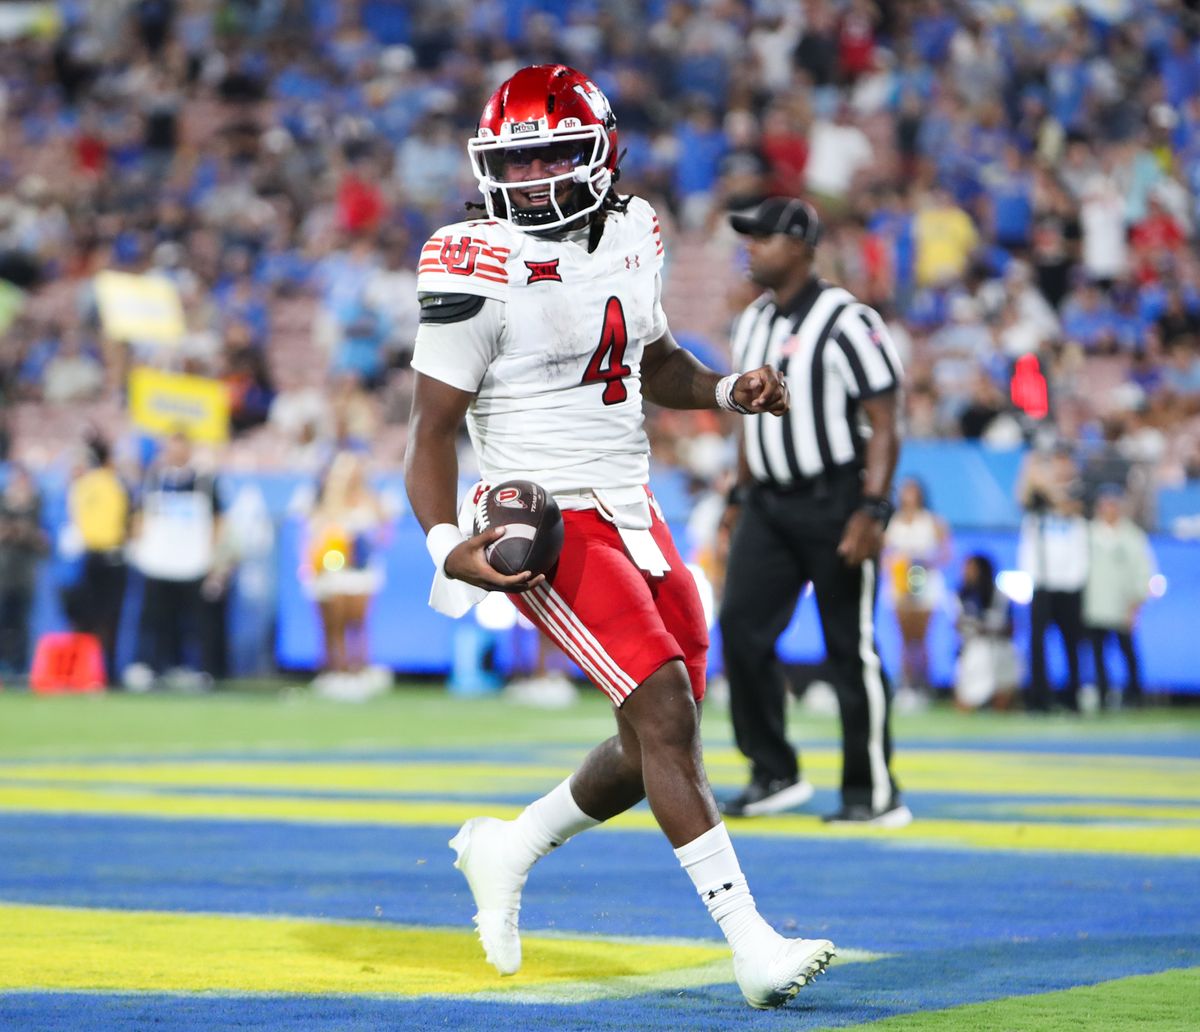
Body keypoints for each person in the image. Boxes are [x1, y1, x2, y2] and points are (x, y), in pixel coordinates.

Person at [403, 65, 834, 1010]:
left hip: (632, 504)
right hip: (545, 517)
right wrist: (446, 546)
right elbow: (430, 434)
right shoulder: (472, 262)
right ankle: (751, 943)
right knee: (668, 713)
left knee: (653, 740)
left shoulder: (635, 231)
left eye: (555, 153)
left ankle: (507, 845)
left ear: (602, 157)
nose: (533, 177)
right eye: (516, 160)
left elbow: (651, 360)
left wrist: (725, 392)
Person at [717, 196, 909, 827]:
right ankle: (773, 772)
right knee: (741, 629)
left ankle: (871, 791)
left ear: (800, 244)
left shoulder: (847, 317)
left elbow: (885, 420)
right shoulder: (752, 320)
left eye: (763, 238)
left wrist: (873, 508)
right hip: (769, 502)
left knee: (848, 648)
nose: (750, 248)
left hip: (834, 498)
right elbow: (748, 423)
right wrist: (737, 499)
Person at [126, 430, 223, 690]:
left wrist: (213, 556)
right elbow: (139, 515)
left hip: (192, 562)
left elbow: (217, 520)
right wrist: (138, 545)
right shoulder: (154, 479)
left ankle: (194, 668)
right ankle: (152, 666)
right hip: (158, 561)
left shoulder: (204, 481)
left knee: (194, 622)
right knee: (155, 618)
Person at [306, 450, 388, 698]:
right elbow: (315, 534)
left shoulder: (371, 500)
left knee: (358, 623)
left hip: (361, 571)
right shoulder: (328, 500)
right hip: (335, 571)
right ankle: (335, 670)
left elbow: (384, 533)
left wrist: (366, 542)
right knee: (334, 623)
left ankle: (358, 670)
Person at [1016, 443, 1088, 712]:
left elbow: (1069, 506)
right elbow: (1022, 497)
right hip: (1042, 580)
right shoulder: (1038, 495)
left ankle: (1073, 696)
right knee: (1037, 642)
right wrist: (1028, 466)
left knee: (1072, 641)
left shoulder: (1079, 489)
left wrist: (1042, 481)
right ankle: (1039, 697)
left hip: (1070, 581)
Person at [67, 434, 130, 684]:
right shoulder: (115, 484)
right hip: (111, 556)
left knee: (86, 619)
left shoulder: (82, 485)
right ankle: (105, 673)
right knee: (108, 619)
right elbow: (126, 521)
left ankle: (82, 673)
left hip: (90, 556)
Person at [884, 476, 951, 708]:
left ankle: (924, 686)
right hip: (901, 583)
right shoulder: (894, 521)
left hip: (925, 582)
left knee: (921, 639)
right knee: (903, 639)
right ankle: (905, 685)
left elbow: (946, 553)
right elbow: (884, 553)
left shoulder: (932, 521)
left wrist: (924, 562)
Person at [1084, 486, 1154, 709]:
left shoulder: (1132, 536)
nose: (1109, 509)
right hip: (1094, 604)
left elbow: (1143, 570)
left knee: (1128, 652)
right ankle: (1103, 694)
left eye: (1113, 504)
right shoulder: (1089, 533)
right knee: (1098, 655)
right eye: (1105, 504)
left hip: (1121, 604)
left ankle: (1135, 694)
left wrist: (1136, 603)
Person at [953, 552, 1019, 711]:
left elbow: (1011, 628)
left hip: (1000, 648)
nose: (966, 572)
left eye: (971, 568)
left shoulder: (1000, 596)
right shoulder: (961, 596)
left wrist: (988, 629)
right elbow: (958, 626)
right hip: (973, 649)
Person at [0, 465, 48, 674]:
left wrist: (21, 532)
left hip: (25, 576)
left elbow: (44, 542)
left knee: (21, 624)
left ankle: (19, 668)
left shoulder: (38, 508)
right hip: (3, 574)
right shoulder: (4, 505)